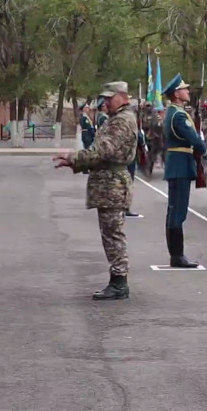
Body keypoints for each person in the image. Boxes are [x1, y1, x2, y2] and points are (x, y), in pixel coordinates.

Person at [53, 82, 139, 300]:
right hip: (109, 183)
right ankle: (117, 280)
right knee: (110, 234)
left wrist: (74, 158)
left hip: (113, 184)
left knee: (113, 234)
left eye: (110, 98)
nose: (106, 102)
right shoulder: (118, 118)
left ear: (122, 97)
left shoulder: (122, 121)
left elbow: (102, 150)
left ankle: (119, 283)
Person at [162, 74, 207, 268]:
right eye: (184, 89)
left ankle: (176, 254)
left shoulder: (174, 112)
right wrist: (203, 149)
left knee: (174, 210)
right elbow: (194, 139)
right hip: (181, 163)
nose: (187, 91)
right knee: (178, 212)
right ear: (177, 94)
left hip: (177, 162)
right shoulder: (179, 115)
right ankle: (177, 255)